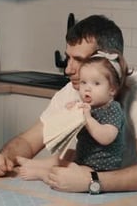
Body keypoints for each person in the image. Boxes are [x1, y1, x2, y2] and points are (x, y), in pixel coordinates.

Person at [0, 15, 137, 193]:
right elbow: (29, 142)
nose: (68, 69)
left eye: (79, 60)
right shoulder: (74, 91)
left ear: (108, 62)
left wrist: (91, 181)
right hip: (104, 195)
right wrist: (4, 159)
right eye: (68, 58)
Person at [18, 50, 129, 181]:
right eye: (83, 82)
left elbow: (106, 137)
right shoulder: (87, 107)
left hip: (100, 169)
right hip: (83, 159)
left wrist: (87, 118)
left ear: (112, 89)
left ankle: (42, 174)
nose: (87, 88)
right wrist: (72, 113)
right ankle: (34, 164)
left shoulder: (112, 109)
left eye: (96, 83)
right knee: (66, 155)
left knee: (68, 174)